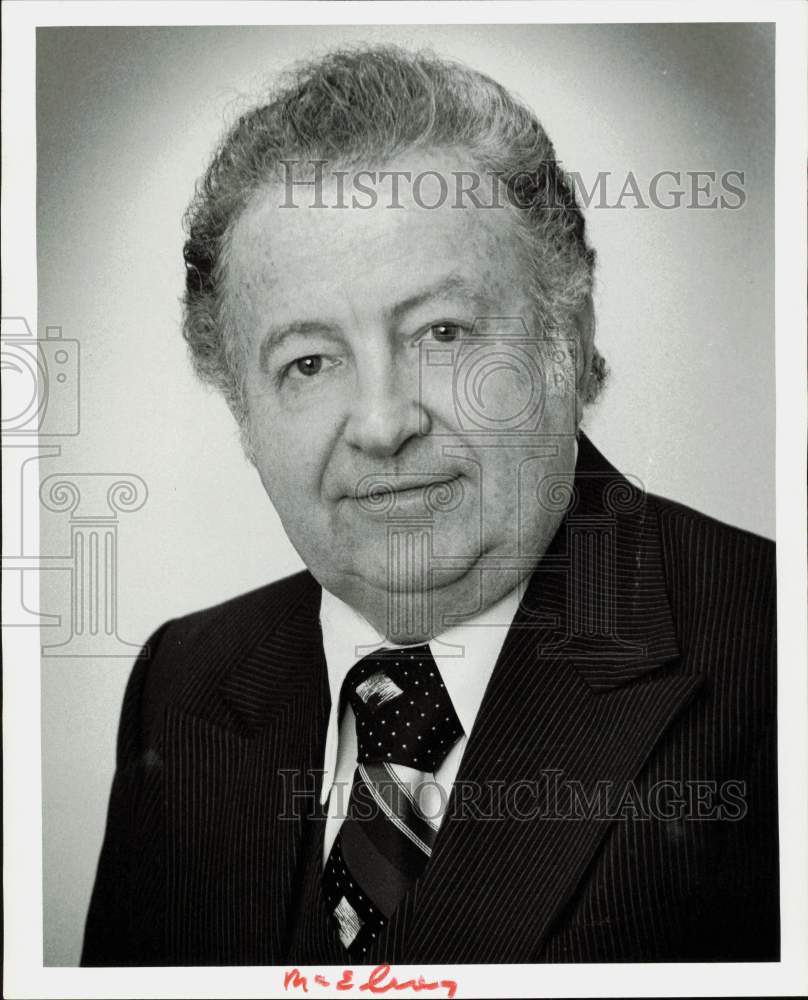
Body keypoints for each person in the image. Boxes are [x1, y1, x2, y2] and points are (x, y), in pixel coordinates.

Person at [81, 45, 778, 966]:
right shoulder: (182, 681)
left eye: (441, 333)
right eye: (309, 362)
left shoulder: (773, 643)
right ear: (242, 410)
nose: (381, 424)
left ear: (568, 334)